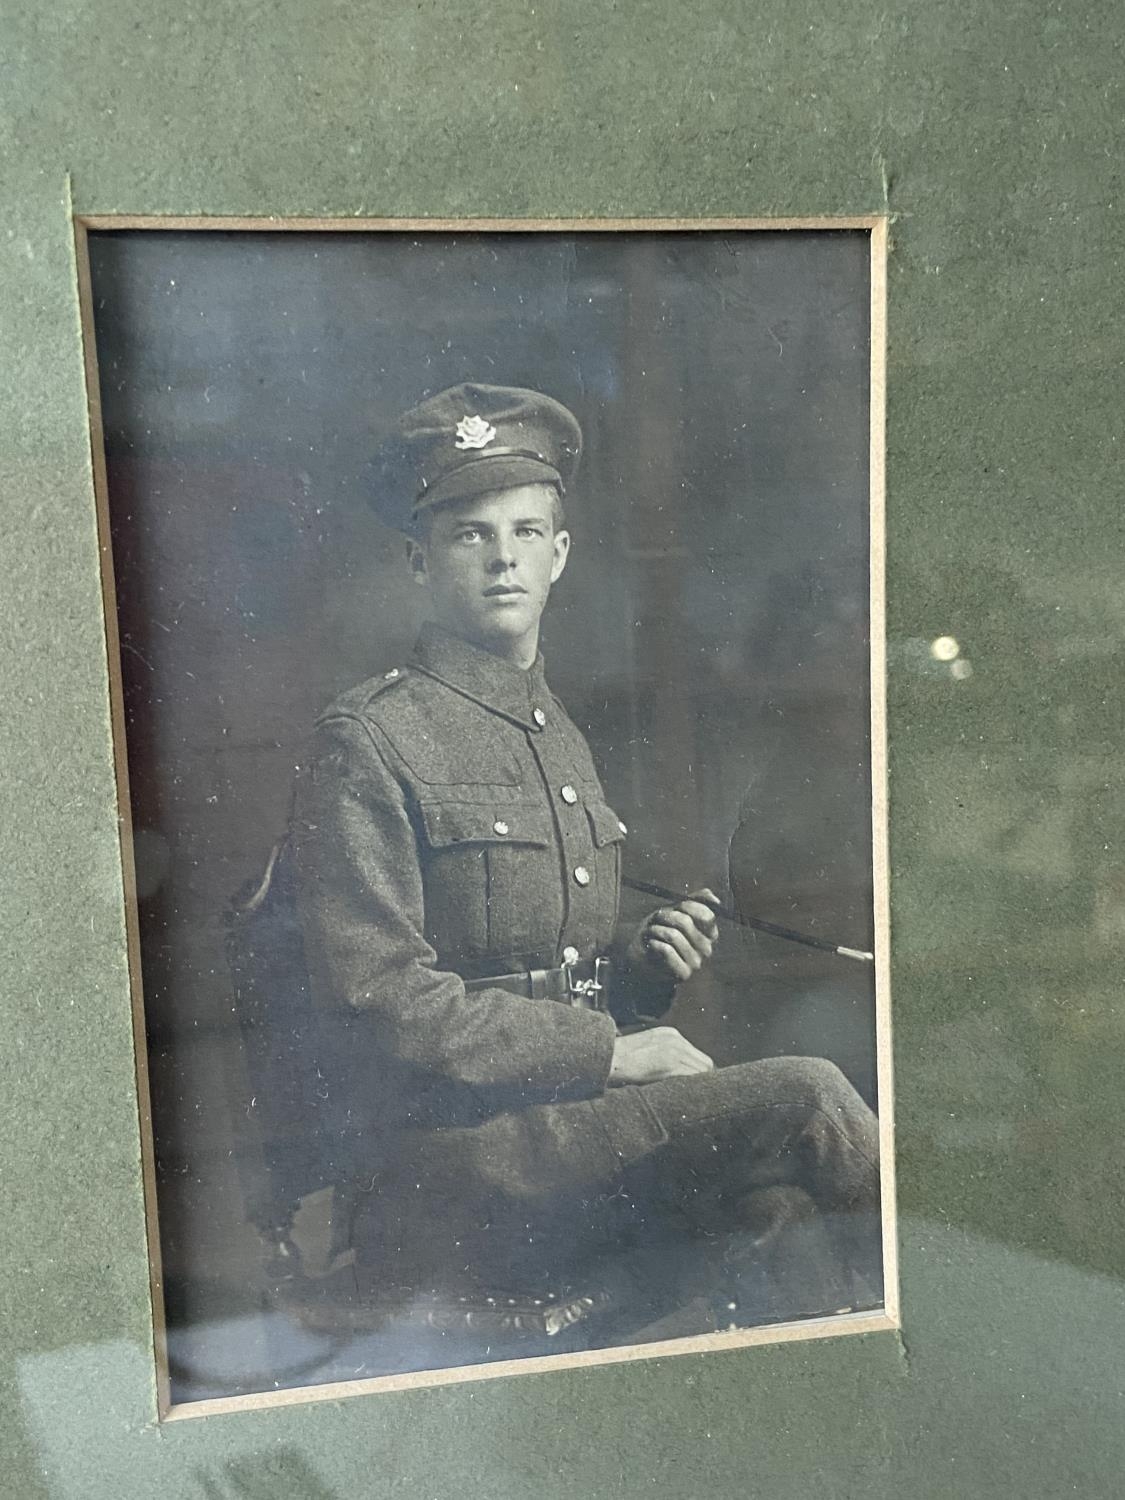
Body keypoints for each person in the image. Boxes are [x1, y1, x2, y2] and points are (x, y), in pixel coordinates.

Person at [288, 382, 881, 1331]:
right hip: (453, 1161)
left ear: (559, 556)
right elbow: (377, 1001)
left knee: (784, 1221)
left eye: (525, 532)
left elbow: (535, 970)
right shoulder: (369, 738)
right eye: (468, 535)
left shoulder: (553, 732)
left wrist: (637, 971)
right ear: (416, 559)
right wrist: (611, 1048)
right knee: (806, 1098)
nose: (501, 560)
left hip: (557, 1135)